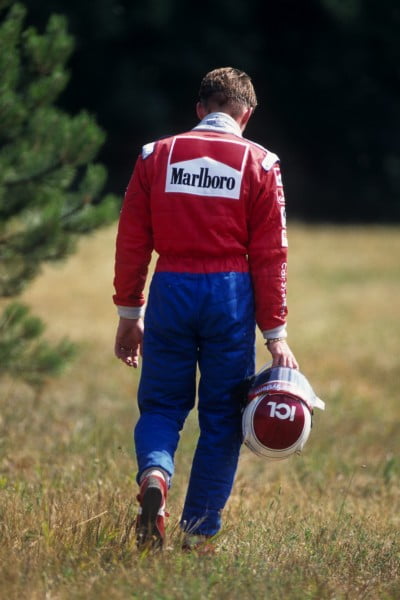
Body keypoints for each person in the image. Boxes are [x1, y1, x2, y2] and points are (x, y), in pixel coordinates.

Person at [113, 67, 298, 551]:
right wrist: (275, 333)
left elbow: (132, 241)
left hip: (171, 286)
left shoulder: (156, 155)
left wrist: (130, 314)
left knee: (161, 405)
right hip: (229, 294)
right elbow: (271, 252)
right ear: (247, 115)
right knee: (222, 417)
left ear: (200, 109)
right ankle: (198, 534)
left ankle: (155, 473)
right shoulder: (261, 162)